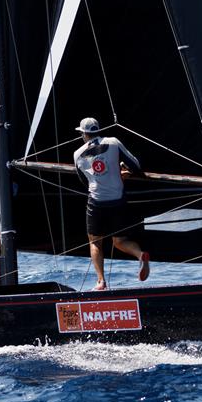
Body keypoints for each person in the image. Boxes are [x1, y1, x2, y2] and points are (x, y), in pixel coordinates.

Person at [73, 117, 149, 290]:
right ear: (98, 130)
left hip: (96, 202)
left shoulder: (77, 154)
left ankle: (101, 282)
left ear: (84, 134)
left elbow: (84, 182)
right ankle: (140, 254)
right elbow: (136, 165)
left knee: (95, 242)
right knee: (120, 240)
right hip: (117, 200)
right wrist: (124, 172)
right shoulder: (113, 142)